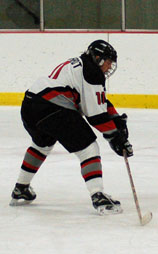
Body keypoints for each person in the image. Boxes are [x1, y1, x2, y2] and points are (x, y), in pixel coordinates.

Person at [9, 40, 133, 214]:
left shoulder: (81, 64)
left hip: (30, 104)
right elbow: (96, 116)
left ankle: (20, 188)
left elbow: (100, 101)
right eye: (108, 61)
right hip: (53, 108)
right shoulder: (92, 73)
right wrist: (115, 136)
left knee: (42, 144)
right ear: (97, 58)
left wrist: (115, 118)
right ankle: (98, 196)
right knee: (89, 148)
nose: (109, 66)